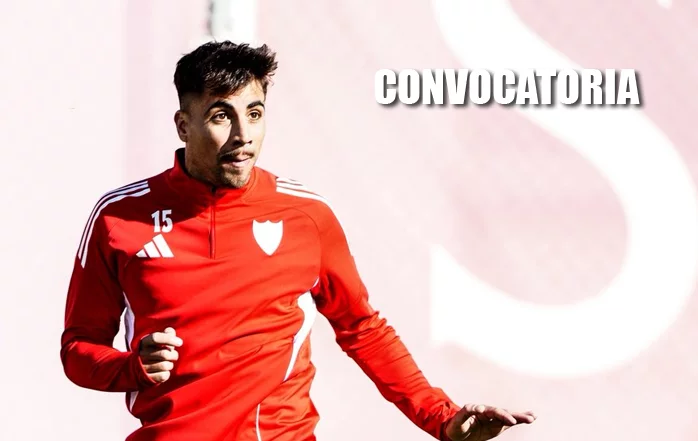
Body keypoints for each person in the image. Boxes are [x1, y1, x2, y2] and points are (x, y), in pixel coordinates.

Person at [60, 41, 536, 441]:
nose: (243, 135)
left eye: (255, 113)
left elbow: (362, 328)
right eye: (222, 116)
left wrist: (441, 417)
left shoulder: (305, 215)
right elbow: (79, 349)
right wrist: (132, 367)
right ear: (184, 125)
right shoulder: (119, 218)